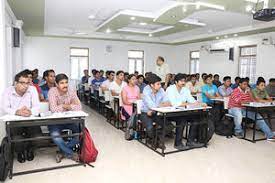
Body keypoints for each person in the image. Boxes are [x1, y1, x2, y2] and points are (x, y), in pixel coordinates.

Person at [2, 71, 41, 163]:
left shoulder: (32, 89)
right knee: (17, 139)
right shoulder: (7, 91)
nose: (26, 85)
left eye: (27, 83)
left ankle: (29, 149)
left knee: (38, 137)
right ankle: (20, 152)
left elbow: (37, 107)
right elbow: (4, 108)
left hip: (30, 119)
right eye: (22, 83)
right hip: (15, 120)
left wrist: (30, 111)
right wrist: (17, 112)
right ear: (16, 83)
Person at [166, 73, 206, 149]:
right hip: (170, 113)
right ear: (176, 82)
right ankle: (178, 144)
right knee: (182, 120)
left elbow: (191, 100)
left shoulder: (185, 89)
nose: (183, 83)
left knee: (196, 118)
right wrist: (188, 103)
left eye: (184, 81)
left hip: (182, 111)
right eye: (181, 81)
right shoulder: (170, 89)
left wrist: (200, 104)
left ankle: (190, 141)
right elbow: (174, 103)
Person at [48, 74, 82, 162]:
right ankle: (70, 153)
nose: (65, 85)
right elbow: (53, 109)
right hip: (55, 121)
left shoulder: (71, 91)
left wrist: (67, 106)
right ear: (56, 84)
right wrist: (65, 105)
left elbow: (79, 106)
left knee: (80, 133)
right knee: (55, 136)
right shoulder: (52, 91)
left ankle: (62, 152)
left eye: (66, 82)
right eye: (62, 83)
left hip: (69, 120)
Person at [140, 73, 172, 149]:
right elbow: (151, 106)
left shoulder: (160, 90)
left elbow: (168, 102)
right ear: (152, 85)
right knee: (150, 128)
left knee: (170, 126)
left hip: (156, 113)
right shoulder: (146, 90)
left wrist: (160, 105)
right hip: (146, 113)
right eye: (158, 84)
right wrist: (160, 105)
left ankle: (155, 139)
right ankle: (156, 140)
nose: (160, 86)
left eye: (160, 84)